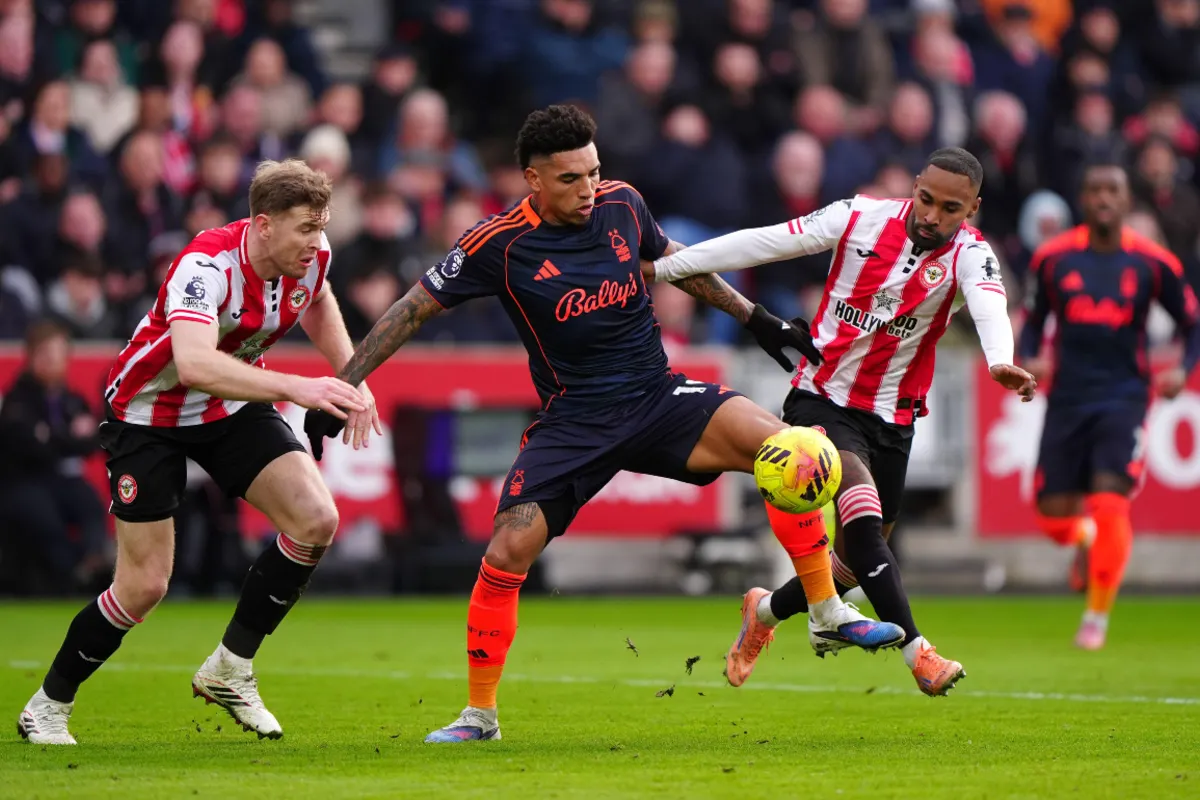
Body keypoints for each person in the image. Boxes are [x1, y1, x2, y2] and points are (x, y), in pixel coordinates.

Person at [304, 105, 905, 743]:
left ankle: (824, 609)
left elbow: (677, 263)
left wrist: (758, 318)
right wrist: (343, 386)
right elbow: (412, 309)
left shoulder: (622, 204)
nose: (589, 188)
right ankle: (479, 716)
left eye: (594, 172)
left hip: (658, 395)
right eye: (570, 179)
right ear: (532, 179)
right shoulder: (496, 243)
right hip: (576, 421)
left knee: (795, 450)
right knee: (507, 549)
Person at [651, 148, 1038, 697]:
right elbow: (762, 242)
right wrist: (669, 267)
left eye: (949, 208)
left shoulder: (972, 256)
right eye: (925, 199)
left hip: (896, 418)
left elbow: (989, 304)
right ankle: (919, 654)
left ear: (971, 208)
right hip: (821, 399)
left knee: (856, 561)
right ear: (914, 186)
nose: (931, 215)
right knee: (859, 515)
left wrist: (999, 357)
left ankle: (764, 610)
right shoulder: (858, 218)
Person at [17, 160, 377, 746]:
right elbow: (195, 363)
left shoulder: (312, 258)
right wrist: (298, 386)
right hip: (148, 416)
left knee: (317, 520)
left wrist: (353, 375)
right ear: (263, 225)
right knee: (145, 585)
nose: (317, 242)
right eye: (304, 229)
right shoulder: (205, 267)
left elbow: (317, 301)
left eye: (321, 227)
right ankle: (47, 705)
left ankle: (230, 668)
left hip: (227, 408)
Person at [1018, 161, 1199, 650]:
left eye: (1112, 190)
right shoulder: (1053, 259)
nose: (1103, 198)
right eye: (1095, 189)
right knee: (1053, 517)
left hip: (1125, 395)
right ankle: (1084, 539)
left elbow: (1192, 322)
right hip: (1067, 398)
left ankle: (1096, 616)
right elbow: (1033, 322)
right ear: (1083, 198)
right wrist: (1029, 355)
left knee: (1110, 497)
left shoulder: (1153, 262)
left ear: (1125, 200)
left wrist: (1183, 367)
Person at [0, 320, 110, 594]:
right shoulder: (17, 401)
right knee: (44, 518)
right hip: (24, 482)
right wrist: (69, 437)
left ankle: (92, 566)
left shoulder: (71, 399)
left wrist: (55, 436)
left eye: (60, 355)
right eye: (47, 355)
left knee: (91, 505)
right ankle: (67, 578)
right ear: (32, 357)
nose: (54, 363)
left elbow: (94, 439)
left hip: (63, 480)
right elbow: (31, 448)